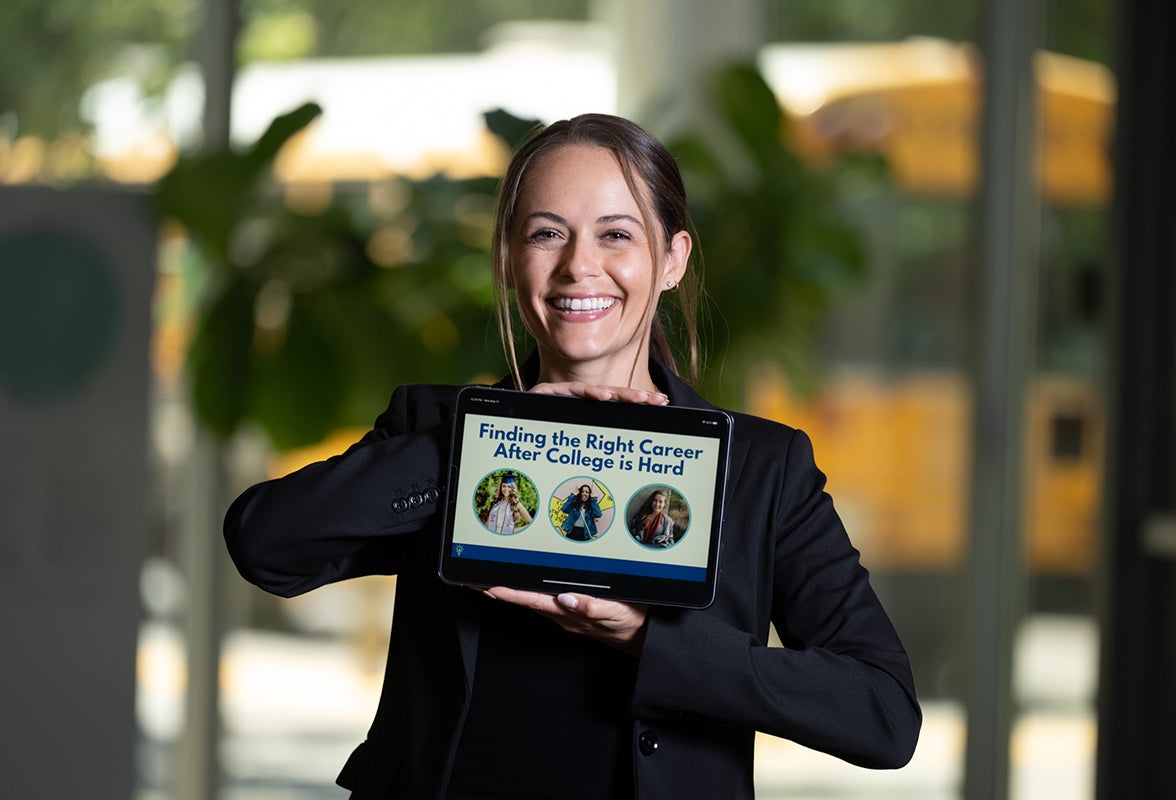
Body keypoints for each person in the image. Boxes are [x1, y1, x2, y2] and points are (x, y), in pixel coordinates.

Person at [224, 113, 921, 800]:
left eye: (616, 234)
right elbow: (267, 547)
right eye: (545, 234)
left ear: (672, 259)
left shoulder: (762, 468)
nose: (578, 265)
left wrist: (650, 640)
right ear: (506, 258)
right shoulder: (437, 431)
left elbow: (881, 715)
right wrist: (490, 444)